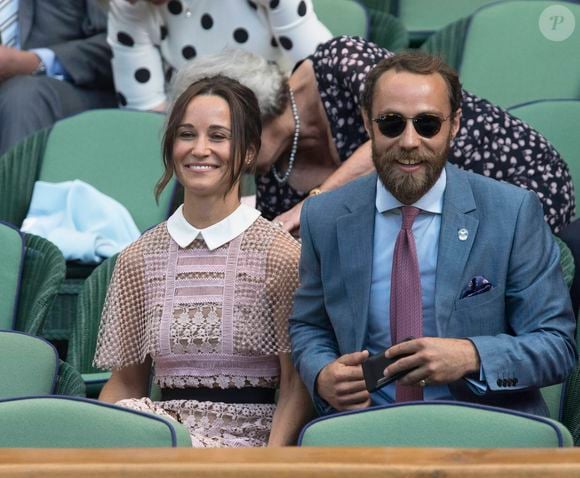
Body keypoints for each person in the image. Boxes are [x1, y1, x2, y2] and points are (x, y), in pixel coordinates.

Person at [288, 50, 577, 417]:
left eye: (428, 124)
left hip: (482, 429)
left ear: (454, 125)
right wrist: (322, 374)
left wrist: (472, 356)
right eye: (391, 123)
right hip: (361, 430)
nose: (409, 141)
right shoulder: (324, 216)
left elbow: (556, 347)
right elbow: (309, 324)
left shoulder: (513, 212)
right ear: (366, 123)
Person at [94, 75, 312, 447]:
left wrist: (269, 469)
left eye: (218, 136)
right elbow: (125, 384)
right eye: (186, 134)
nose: (199, 149)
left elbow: (296, 388)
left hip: (248, 453)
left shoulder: (279, 254)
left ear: (246, 152)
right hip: (160, 446)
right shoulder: (138, 257)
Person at [174, 36, 574, 235]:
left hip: (511, 180)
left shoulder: (338, 62)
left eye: (224, 135)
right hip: (425, 219)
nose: (218, 152)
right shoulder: (274, 180)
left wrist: (312, 203)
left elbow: (400, 129)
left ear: (255, 117)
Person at [106, 0, 331, 111]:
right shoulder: (128, 5)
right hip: (196, 134)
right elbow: (143, 111)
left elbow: (323, 72)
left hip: (281, 113)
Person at [0, 0, 116, 156]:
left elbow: (117, 42)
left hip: (62, 93)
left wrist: (35, 61)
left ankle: (13, 179)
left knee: (23, 96)